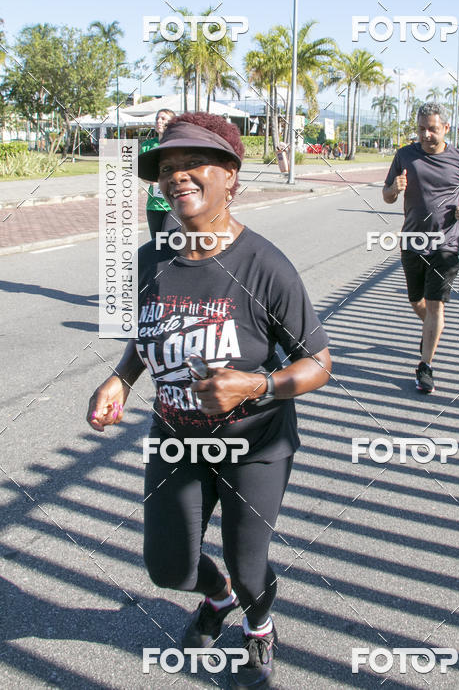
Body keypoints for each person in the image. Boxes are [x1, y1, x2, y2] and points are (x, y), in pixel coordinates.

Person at [87, 113, 331, 688]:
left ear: (230, 175)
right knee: (169, 568)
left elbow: (319, 362)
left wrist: (257, 385)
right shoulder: (151, 262)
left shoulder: (263, 265)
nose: (177, 178)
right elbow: (149, 335)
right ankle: (216, 598)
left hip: (255, 445)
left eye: (193, 164)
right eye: (167, 169)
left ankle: (258, 626)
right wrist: (121, 379)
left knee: (252, 572)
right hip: (176, 441)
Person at [382, 103, 459, 395]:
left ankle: (425, 365)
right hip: (413, 240)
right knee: (417, 302)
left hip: (446, 242)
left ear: (446, 129)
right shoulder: (405, 155)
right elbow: (387, 196)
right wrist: (396, 188)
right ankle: (432, 329)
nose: (426, 134)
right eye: (421, 129)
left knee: (435, 305)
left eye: (432, 129)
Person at [140, 108, 176, 239]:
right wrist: (154, 182)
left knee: (172, 243)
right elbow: (142, 172)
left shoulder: (177, 145)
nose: (159, 121)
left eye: (163, 118)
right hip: (154, 205)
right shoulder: (148, 146)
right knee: (156, 244)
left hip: (174, 204)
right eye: (157, 119)